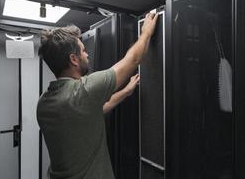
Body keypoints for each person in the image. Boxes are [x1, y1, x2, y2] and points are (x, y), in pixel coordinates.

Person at [36, 12, 159, 179]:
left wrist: (126, 91)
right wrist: (146, 32)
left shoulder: (44, 102)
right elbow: (133, 60)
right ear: (74, 59)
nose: (87, 54)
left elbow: (94, 110)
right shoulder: (83, 91)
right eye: (83, 50)